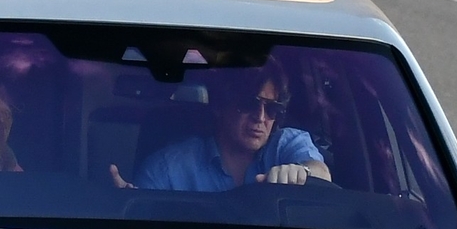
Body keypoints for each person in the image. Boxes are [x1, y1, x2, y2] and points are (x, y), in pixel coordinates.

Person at [117, 67, 330, 191]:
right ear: (220, 106)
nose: (260, 117)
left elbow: (321, 174)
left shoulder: (287, 144)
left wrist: (303, 173)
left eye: (272, 108)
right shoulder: (167, 169)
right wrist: (130, 206)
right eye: (249, 104)